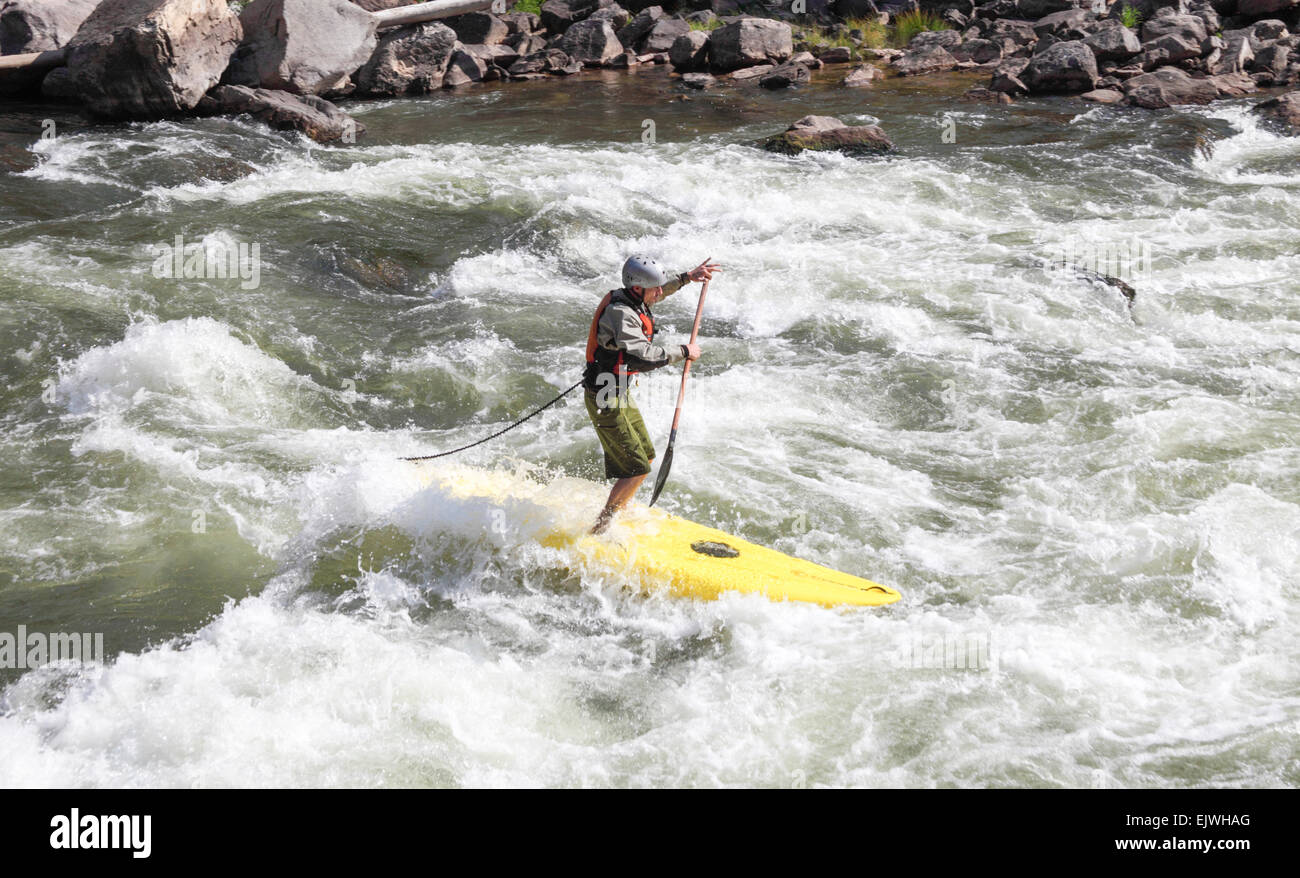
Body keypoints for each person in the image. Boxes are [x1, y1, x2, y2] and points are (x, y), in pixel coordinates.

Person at [583, 255, 721, 534]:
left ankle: (616, 512)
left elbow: (658, 293)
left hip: (617, 392)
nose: (659, 293)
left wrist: (686, 278)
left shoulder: (632, 297)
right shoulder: (621, 314)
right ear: (637, 289)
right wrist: (684, 351)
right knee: (637, 470)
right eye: (654, 288)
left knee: (644, 458)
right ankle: (601, 527)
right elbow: (645, 357)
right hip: (605, 396)